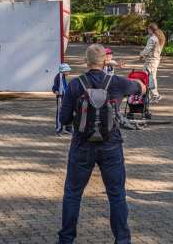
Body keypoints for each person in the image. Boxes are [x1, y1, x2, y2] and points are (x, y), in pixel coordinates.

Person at [57, 44, 147, 244]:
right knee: (116, 195)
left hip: (81, 145)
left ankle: (66, 239)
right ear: (105, 61)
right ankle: (122, 240)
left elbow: (63, 119)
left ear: (86, 61)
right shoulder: (117, 82)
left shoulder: (75, 84)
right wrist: (142, 84)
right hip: (111, 145)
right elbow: (140, 87)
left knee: (73, 194)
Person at [139, 23, 165, 102]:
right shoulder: (158, 37)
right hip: (155, 60)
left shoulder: (152, 38)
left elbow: (147, 49)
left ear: (150, 29)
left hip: (151, 61)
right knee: (151, 78)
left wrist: (141, 54)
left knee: (147, 78)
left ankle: (154, 95)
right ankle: (152, 95)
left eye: (148, 29)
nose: (147, 31)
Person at [52, 63, 73, 135]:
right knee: (60, 113)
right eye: (68, 71)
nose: (69, 72)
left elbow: (65, 87)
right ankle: (58, 129)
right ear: (63, 71)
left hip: (66, 97)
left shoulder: (63, 77)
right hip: (60, 98)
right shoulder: (58, 77)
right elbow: (54, 87)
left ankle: (68, 128)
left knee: (69, 111)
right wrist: (56, 91)